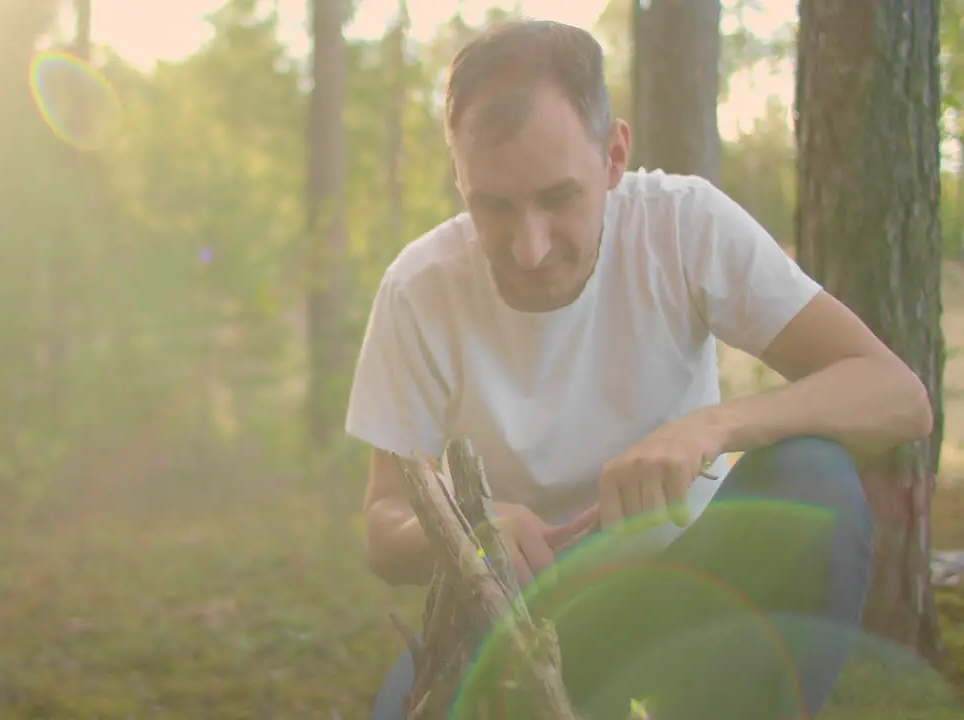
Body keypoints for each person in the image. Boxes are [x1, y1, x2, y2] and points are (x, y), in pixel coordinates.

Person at [346, 18, 933, 720]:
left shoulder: (684, 228)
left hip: (692, 590)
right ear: (460, 177)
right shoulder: (419, 289)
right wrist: (470, 539)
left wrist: (712, 426)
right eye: (493, 206)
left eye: (558, 198)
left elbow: (898, 396)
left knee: (815, 479)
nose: (529, 247)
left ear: (614, 154)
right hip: (516, 613)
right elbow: (383, 528)